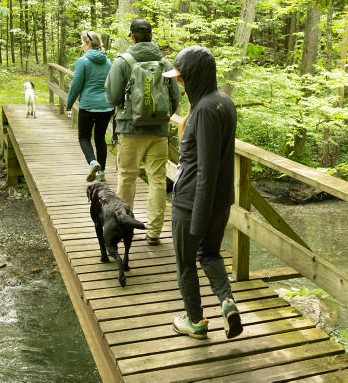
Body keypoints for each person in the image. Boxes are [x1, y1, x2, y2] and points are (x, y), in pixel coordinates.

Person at [162, 46, 243, 340]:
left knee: (186, 262)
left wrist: (198, 218)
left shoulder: (206, 110)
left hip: (193, 203)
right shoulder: (222, 101)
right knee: (209, 254)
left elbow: (206, 170)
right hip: (218, 202)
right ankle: (227, 302)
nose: (179, 84)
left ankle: (195, 321)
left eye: (182, 78)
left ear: (194, 76)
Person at [105, 18, 181, 246]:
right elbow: (175, 100)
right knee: (157, 179)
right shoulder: (166, 65)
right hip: (158, 132)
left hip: (129, 130)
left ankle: (122, 227)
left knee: (127, 178)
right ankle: (154, 232)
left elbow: (112, 96)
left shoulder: (123, 62)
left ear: (132, 36)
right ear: (151, 36)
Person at [66, 31, 114, 182]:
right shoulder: (108, 62)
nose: (81, 45)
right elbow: (112, 84)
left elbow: (76, 85)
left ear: (88, 43)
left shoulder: (83, 61)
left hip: (88, 106)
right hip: (106, 107)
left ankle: (93, 162)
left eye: (82, 42)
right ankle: (101, 174)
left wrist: (69, 104)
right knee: (100, 138)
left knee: (84, 137)